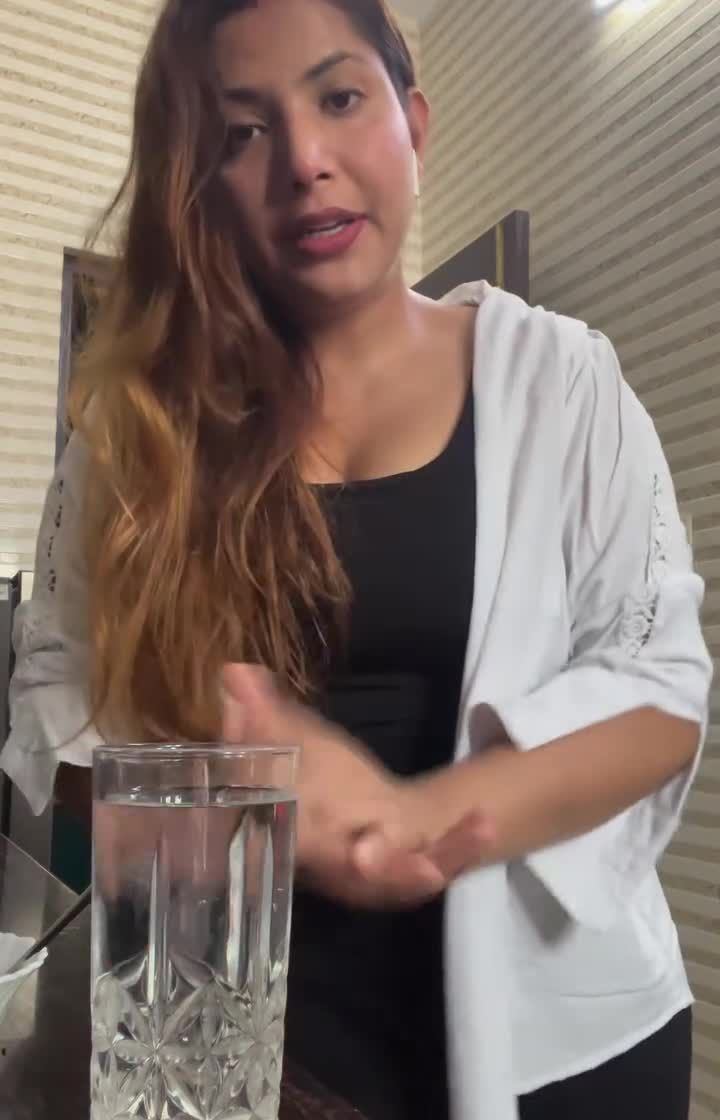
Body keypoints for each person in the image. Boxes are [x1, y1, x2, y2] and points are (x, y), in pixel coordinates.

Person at [0, 1, 712, 1118]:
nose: (304, 161)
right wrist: (226, 809)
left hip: (565, 1050)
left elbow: (660, 688)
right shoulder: (134, 437)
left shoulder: (563, 378)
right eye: (242, 131)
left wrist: (413, 825)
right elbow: (57, 701)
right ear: (197, 181)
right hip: (246, 1054)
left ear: (412, 121)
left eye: (339, 97)